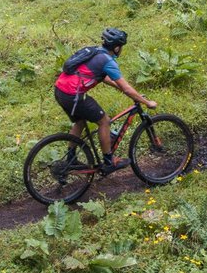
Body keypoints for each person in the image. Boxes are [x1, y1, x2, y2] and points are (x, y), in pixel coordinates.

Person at [53, 28, 156, 174]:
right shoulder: (108, 61)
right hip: (73, 95)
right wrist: (147, 102)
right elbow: (127, 89)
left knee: (80, 121)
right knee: (104, 121)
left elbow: (102, 77)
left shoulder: (95, 51)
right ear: (117, 47)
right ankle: (109, 161)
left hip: (60, 90)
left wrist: (119, 87)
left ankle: (71, 158)